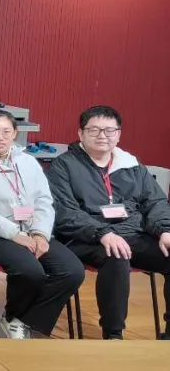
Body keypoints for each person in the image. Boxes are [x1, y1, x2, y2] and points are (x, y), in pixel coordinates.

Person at [0, 109, 84, 339]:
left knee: (72, 271)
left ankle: (22, 320)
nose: (0, 138)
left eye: (6, 132)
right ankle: (13, 315)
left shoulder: (28, 161)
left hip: (32, 231)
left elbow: (44, 201)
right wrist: (14, 234)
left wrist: (41, 234)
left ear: (15, 133)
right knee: (30, 271)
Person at [48, 105, 170, 340]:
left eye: (109, 130)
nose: (102, 136)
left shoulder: (131, 165)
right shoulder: (63, 166)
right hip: (85, 237)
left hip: (132, 234)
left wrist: (165, 229)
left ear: (119, 134)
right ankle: (113, 335)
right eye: (94, 130)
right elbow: (65, 212)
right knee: (116, 256)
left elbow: (155, 201)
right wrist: (102, 233)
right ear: (81, 133)